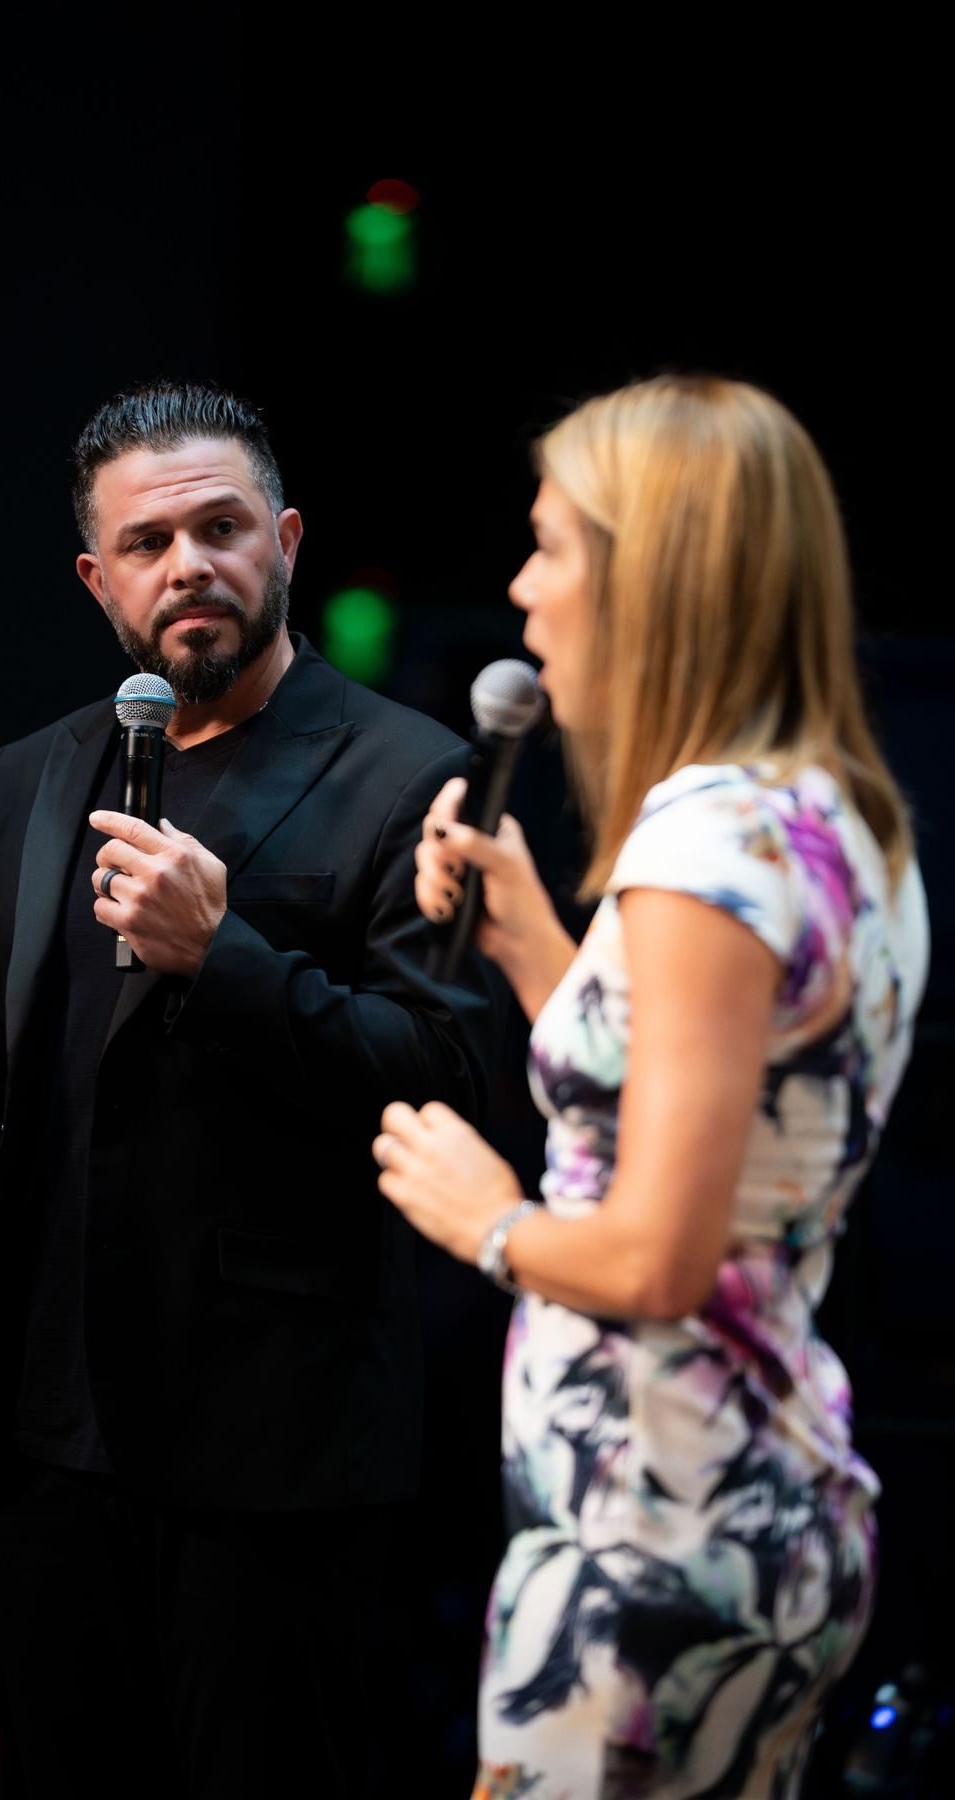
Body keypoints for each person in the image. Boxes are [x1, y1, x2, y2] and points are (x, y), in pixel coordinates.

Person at [372, 374, 930, 1799]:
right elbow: (709, 1128)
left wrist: (483, 1218)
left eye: (553, 547)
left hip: (651, 1546)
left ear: (652, 576)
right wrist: (535, 946)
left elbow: (659, 1253)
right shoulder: (832, 822)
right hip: (756, 1515)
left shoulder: (701, 842)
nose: (522, 589)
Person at [0, 380, 502, 1799]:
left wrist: (223, 958)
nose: (188, 564)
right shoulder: (30, 775)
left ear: (288, 542)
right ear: (97, 579)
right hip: (47, 1446)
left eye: (221, 526)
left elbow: (441, 1078)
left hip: (275, 1456)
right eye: (147, 544)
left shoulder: (410, 774)